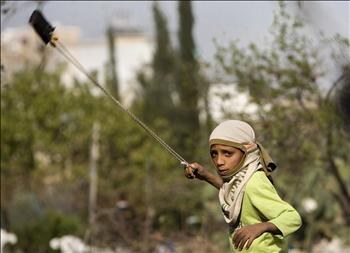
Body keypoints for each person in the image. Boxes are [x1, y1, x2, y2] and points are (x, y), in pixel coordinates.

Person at [184, 120, 302, 252]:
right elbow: (238, 194)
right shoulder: (242, 178)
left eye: (227, 153)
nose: (219, 161)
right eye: (214, 154)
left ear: (247, 151)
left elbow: (292, 217)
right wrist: (207, 176)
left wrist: (260, 227)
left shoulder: (255, 181)